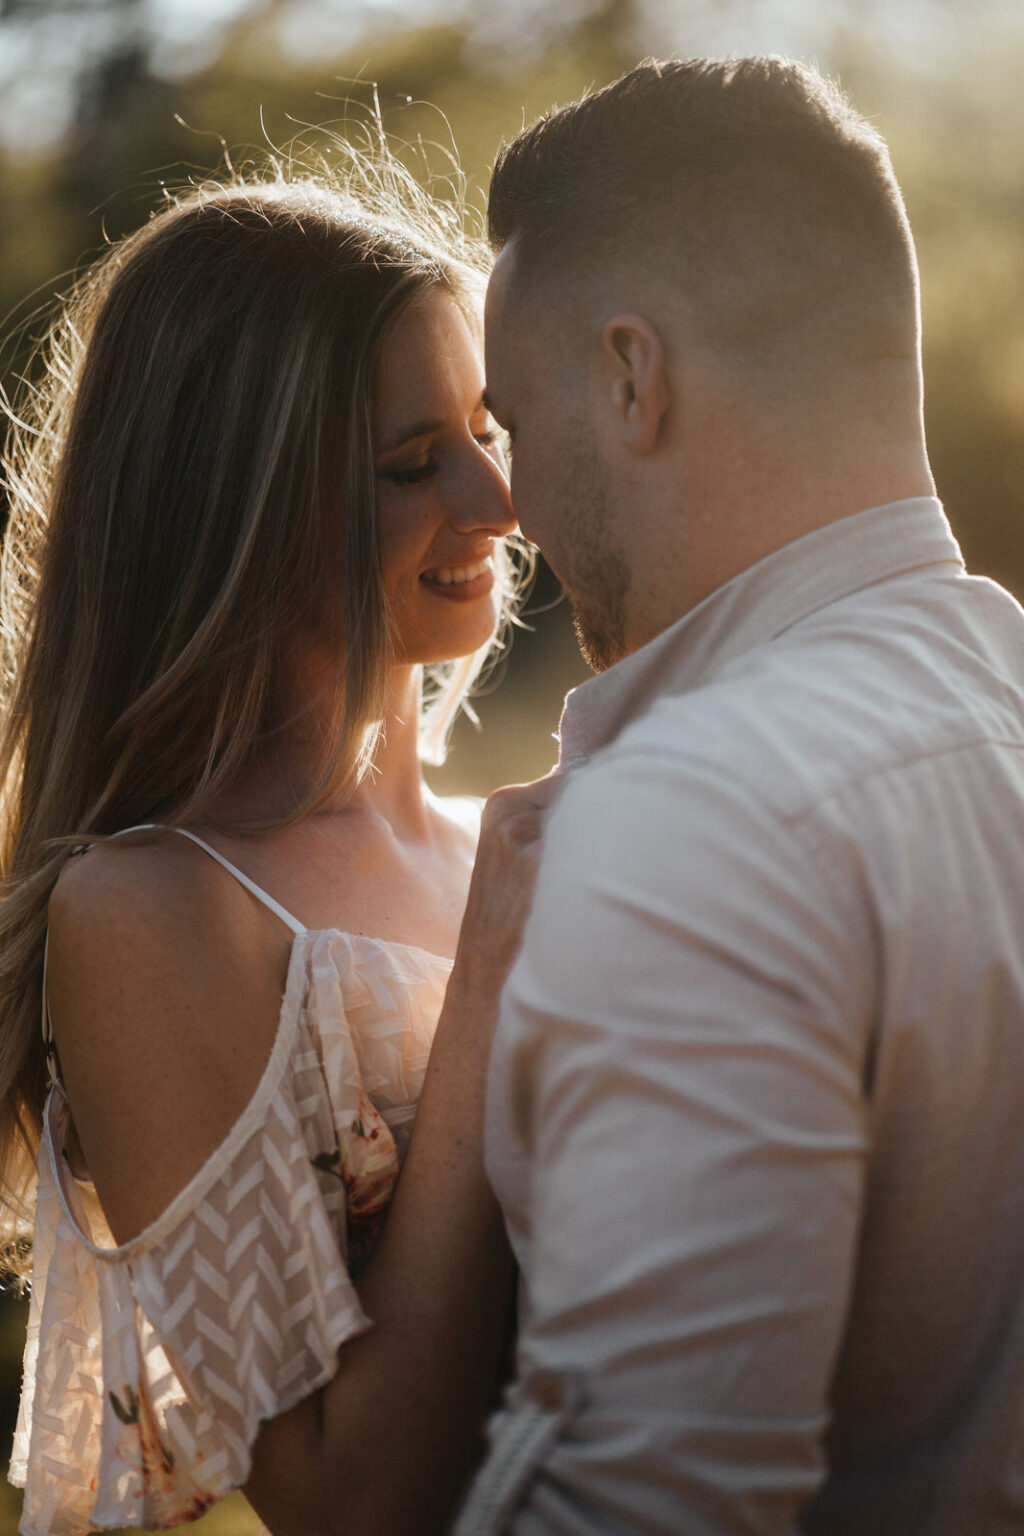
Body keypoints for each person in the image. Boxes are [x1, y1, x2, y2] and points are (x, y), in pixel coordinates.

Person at [457, 55, 1024, 1535]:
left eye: (511, 420)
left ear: (632, 378)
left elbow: (640, 1505)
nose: (505, 501)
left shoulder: (699, 812)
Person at [0, 152, 551, 1536]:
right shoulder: (154, 913)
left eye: (489, 428)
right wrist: (494, 966)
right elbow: (347, 1505)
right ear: (234, 509)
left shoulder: (522, 831)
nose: (497, 502)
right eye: (409, 464)